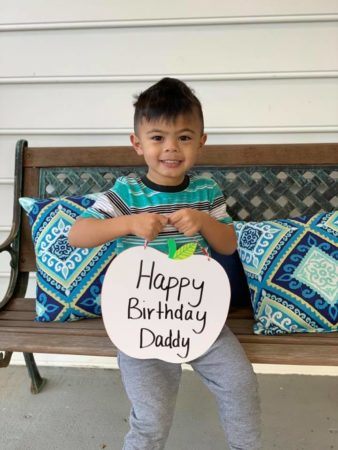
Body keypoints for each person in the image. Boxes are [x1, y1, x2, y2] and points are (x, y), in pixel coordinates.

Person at [68, 77, 261, 450]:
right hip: (139, 320)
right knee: (151, 415)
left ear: (201, 141)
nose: (171, 148)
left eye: (184, 137)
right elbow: (78, 234)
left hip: (198, 315)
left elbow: (228, 243)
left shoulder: (206, 192)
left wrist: (205, 222)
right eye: (158, 138)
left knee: (240, 384)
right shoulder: (127, 193)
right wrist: (127, 223)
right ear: (137, 143)